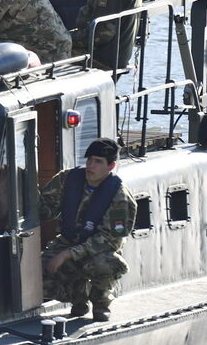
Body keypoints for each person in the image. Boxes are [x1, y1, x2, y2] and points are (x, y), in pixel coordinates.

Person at [38, 137, 136, 322]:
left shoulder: (120, 197)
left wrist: (68, 254)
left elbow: (110, 240)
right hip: (68, 241)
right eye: (89, 159)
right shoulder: (68, 179)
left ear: (111, 165)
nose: (91, 165)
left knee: (105, 263)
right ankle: (78, 297)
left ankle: (100, 304)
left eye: (98, 162)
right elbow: (46, 208)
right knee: (39, 274)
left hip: (98, 250)